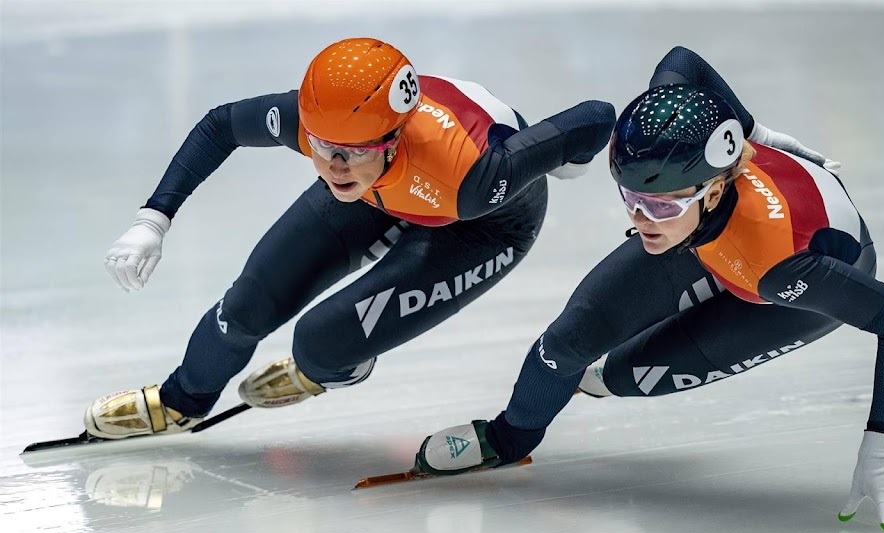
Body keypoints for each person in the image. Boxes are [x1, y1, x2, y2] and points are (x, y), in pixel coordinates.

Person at [416, 47, 884, 532]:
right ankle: (509, 438)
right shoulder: (682, 198)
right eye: (630, 198)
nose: (641, 219)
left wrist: (878, 450)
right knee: (569, 343)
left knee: (621, 376)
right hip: (707, 239)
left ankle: (600, 379)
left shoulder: (781, 262)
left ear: (714, 189)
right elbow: (680, 62)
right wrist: (756, 132)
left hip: (782, 285)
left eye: (660, 205)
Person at [84, 37, 615, 439]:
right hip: (385, 192)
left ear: (395, 135)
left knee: (320, 344)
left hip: (484, 223)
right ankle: (184, 398)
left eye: (354, 150)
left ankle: (336, 366)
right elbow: (221, 125)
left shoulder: (471, 177)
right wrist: (153, 218)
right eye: (321, 146)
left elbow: (595, 118)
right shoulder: (318, 128)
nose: (335, 164)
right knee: (247, 304)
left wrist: (568, 161)